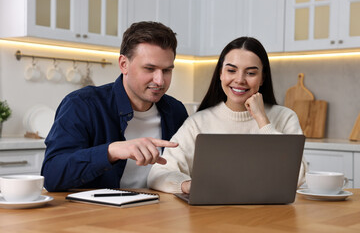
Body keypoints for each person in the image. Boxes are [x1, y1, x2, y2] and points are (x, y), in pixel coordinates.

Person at [148, 36, 308, 194]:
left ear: (262, 78)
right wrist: (189, 186)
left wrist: (262, 121)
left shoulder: (285, 117)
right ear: (220, 74)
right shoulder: (197, 123)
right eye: (231, 70)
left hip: (270, 214)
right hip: (214, 215)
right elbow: (157, 174)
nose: (239, 80)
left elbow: (299, 178)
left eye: (251, 73)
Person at [41, 21, 188, 191]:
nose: (160, 80)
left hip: (158, 211)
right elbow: (51, 175)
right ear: (123, 64)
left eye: (167, 70)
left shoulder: (176, 111)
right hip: (99, 214)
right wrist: (111, 151)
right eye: (149, 69)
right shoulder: (82, 104)